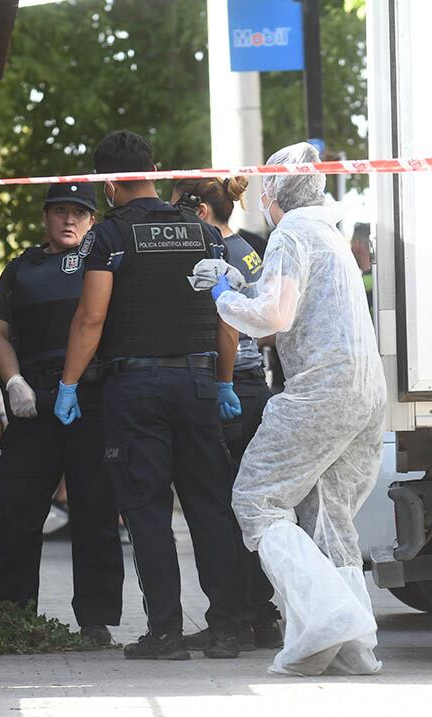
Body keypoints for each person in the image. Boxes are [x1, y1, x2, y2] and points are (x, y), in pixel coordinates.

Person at [55, 130, 245, 661]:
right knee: (210, 507)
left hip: (135, 388)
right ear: (153, 169)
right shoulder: (203, 230)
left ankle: (165, 634)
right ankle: (228, 628)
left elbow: (91, 318)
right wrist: (225, 382)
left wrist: (68, 384)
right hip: (198, 383)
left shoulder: (109, 237)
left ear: (108, 181)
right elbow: (226, 317)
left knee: (147, 511)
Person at [208, 142, 387, 675]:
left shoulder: (289, 234)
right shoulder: (327, 234)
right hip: (364, 391)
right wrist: (244, 285)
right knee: (331, 516)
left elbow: (275, 314)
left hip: (320, 389)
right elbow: (293, 299)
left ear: (275, 191)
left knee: (258, 499)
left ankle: (326, 618)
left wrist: (221, 293)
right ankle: (356, 646)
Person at [0, 183, 124, 645]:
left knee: (96, 511)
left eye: (79, 213)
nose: (68, 220)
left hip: (94, 397)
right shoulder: (21, 269)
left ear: (92, 221)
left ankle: (96, 622)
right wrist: (13, 381)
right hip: (34, 400)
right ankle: (9, 618)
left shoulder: (104, 264)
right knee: (17, 511)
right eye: (59, 211)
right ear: (45, 217)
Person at [170, 177, 283, 652]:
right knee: (246, 506)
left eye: (177, 210)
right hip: (253, 387)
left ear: (198, 211)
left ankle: (234, 619)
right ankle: (261, 615)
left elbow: (228, 326)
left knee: (220, 507)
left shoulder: (214, 253)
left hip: (230, 384)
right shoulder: (251, 247)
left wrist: (220, 384)